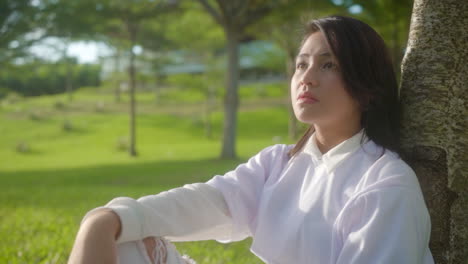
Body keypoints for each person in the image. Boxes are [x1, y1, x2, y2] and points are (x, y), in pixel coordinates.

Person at [68, 15, 434, 264]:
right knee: (127, 241)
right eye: (301, 64)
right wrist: (107, 218)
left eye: (328, 65)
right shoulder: (279, 163)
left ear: (367, 88)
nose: (306, 78)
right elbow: (209, 202)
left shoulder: (387, 185)